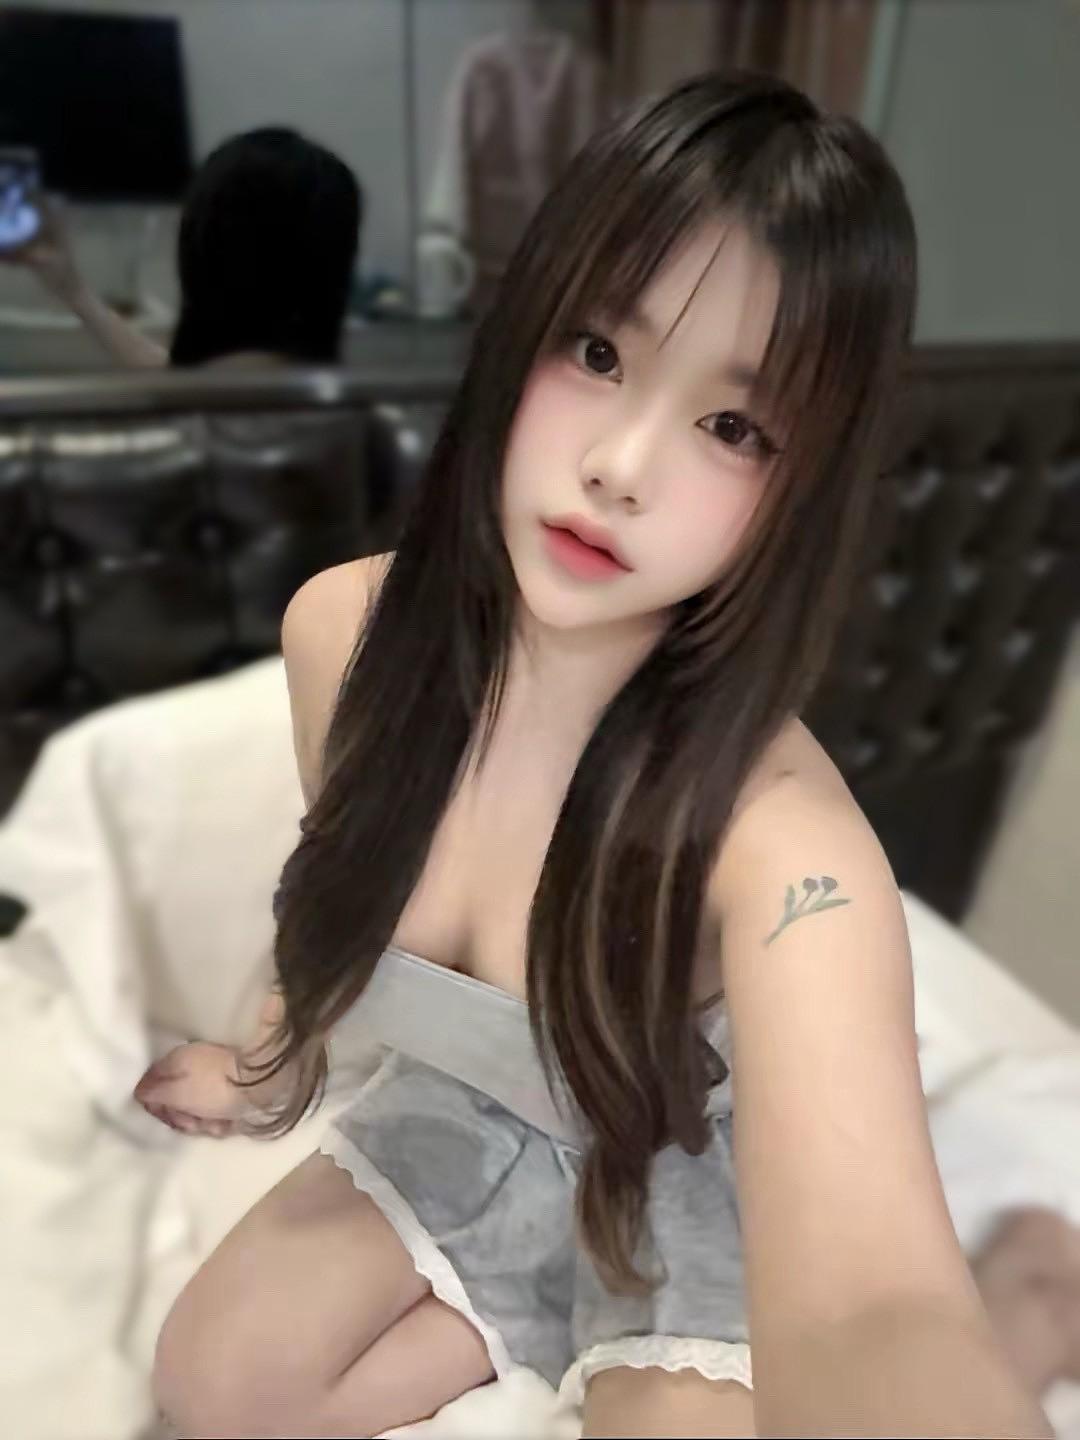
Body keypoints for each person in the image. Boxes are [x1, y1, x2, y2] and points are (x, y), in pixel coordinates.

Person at [132, 73, 1063, 1438]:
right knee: (215, 1382)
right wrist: (267, 1060)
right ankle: (531, 1292)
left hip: (678, 1154)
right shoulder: (343, 637)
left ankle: (1029, 1298)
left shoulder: (782, 847)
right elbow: (337, 879)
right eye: (596, 352)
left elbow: (874, 1306)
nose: (622, 465)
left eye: (733, 427)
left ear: (802, 487)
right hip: (489, 1113)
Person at [2, 127, 362, 370]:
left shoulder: (194, 422)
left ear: (200, 251)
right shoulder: (355, 420)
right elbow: (170, 376)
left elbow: (179, 382)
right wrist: (74, 291)